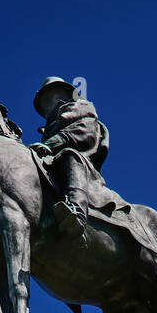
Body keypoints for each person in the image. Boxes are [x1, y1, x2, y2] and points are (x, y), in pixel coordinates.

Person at [29, 78, 109, 239]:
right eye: (44, 101)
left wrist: (51, 144)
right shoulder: (47, 129)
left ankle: (77, 213)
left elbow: (83, 133)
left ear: (63, 95)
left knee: (69, 156)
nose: (47, 104)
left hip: (80, 163)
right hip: (52, 161)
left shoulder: (83, 109)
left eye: (50, 96)